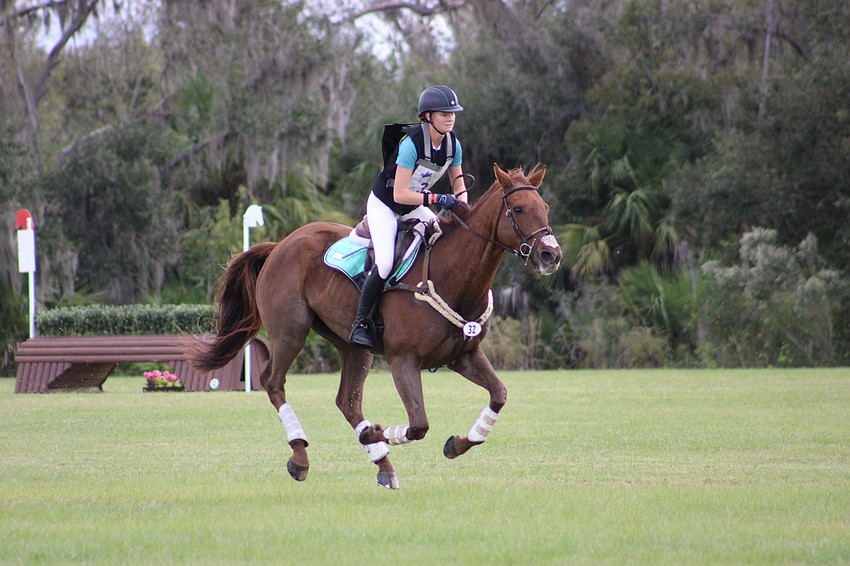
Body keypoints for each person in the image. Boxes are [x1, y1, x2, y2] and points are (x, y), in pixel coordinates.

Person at [349, 85, 469, 348]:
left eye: (453, 113)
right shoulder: (411, 144)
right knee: (384, 263)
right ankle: (360, 323)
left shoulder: (453, 145)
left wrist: (463, 208)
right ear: (427, 117)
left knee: (440, 236)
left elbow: (459, 186)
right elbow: (401, 194)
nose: (450, 118)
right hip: (385, 205)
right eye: (444, 113)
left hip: (413, 205)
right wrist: (438, 199)